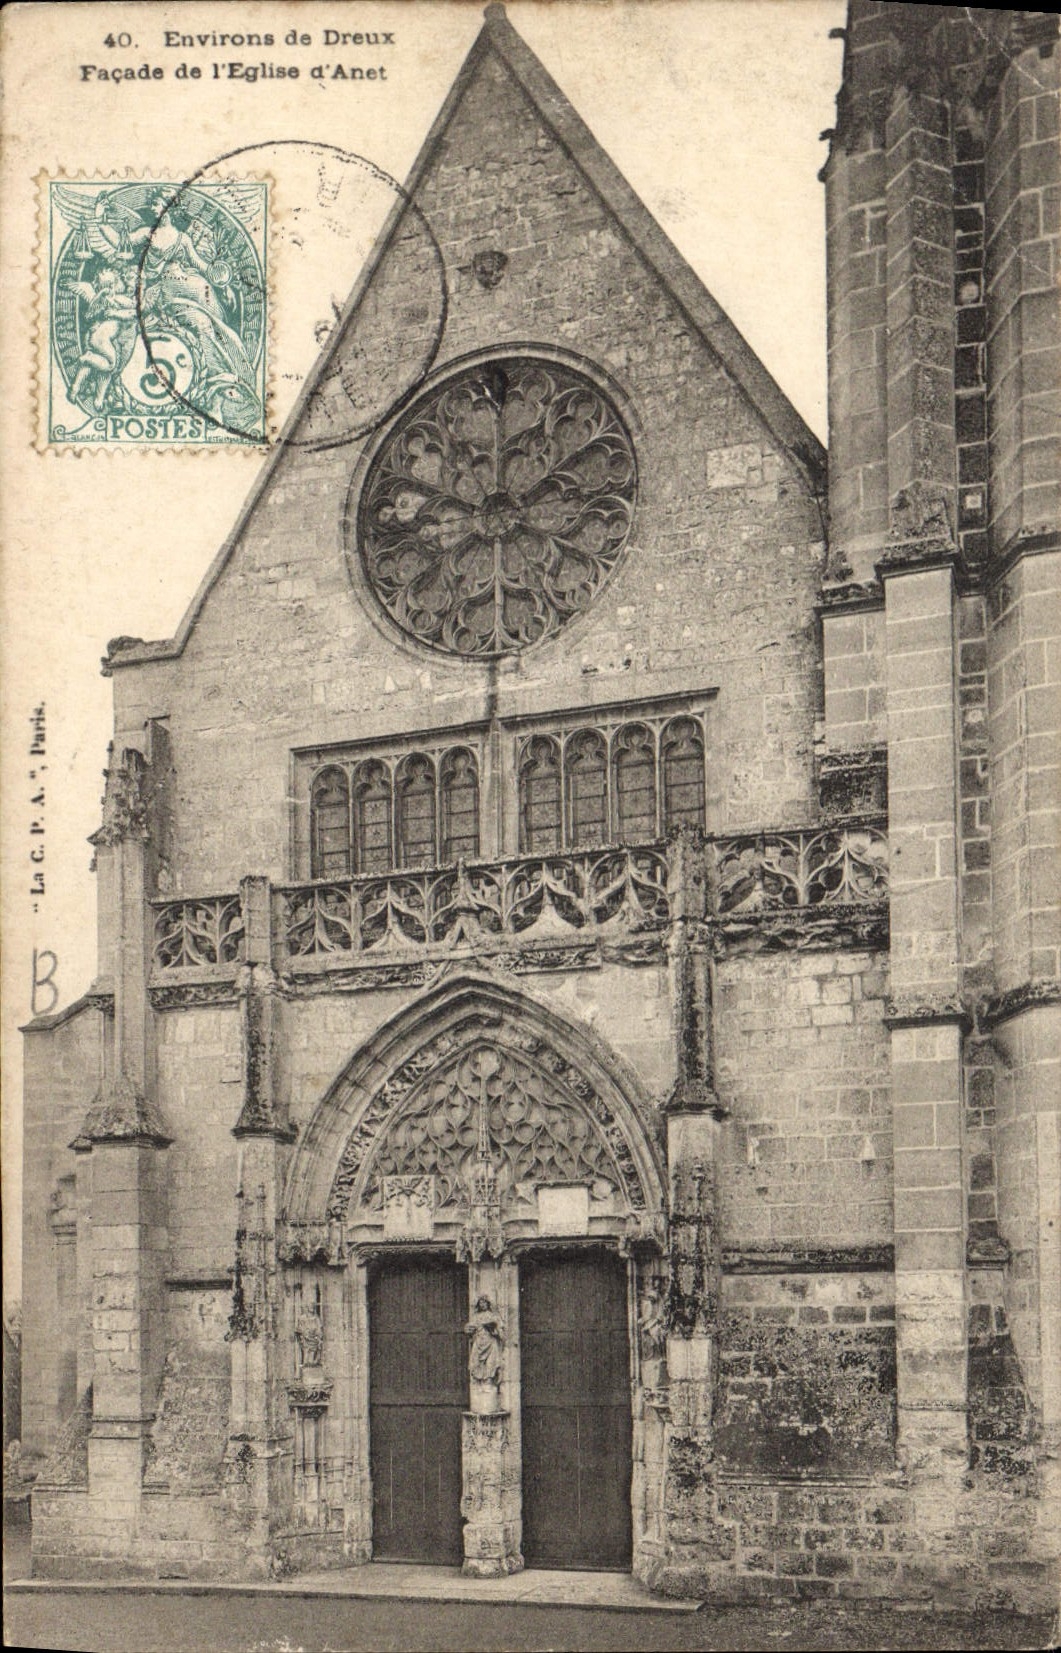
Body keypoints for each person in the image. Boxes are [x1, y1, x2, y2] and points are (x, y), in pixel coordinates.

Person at [464, 1295, 505, 1384]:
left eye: (484, 1302)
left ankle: (490, 1381)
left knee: (491, 1364)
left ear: (488, 1303)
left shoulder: (493, 1316)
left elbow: (500, 1332)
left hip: (490, 1342)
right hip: (479, 1342)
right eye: (481, 1303)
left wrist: (494, 1330)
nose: (483, 1304)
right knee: (475, 1363)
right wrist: (468, 1329)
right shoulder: (476, 1317)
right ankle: (479, 1383)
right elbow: (470, 1330)